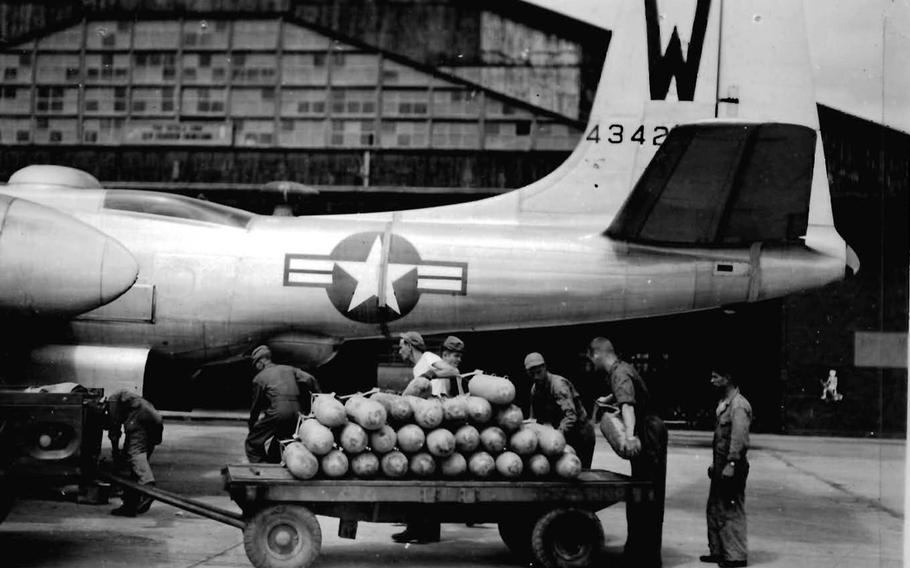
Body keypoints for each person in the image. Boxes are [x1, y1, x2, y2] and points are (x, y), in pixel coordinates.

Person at [588, 337, 667, 568]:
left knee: (647, 495)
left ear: (597, 354)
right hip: (649, 428)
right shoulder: (623, 368)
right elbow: (627, 392)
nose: (592, 364)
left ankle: (646, 558)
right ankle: (639, 552)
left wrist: (631, 435)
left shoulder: (618, 373)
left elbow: (628, 406)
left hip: (647, 431)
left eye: (591, 358)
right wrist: (609, 398)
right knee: (643, 494)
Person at [701, 366, 752, 568]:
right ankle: (719, 551)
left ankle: (736, 556)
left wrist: (731, 462)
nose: (711, 380)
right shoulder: (725, 403)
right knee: (715, 508)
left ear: (728, 378)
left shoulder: (739, 405)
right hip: (722, 466)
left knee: (731, 509)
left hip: (733, 466)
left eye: (716, 376)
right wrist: (717, 463)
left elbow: (739, 437)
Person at [245, 345, 321, 463]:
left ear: (261, 362)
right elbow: (310, 379)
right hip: (297, 412)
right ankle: (274, 462)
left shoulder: (259, 378)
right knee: (282, 438)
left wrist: (252, 425)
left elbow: (256, 407)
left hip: (278, 411)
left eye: (255, 364)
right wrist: (319, 398)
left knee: (252, 443)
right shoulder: (289, 369)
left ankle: (262, 468)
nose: (256, 368)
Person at [525, 352, 596, 468]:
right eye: (532, 374)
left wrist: (557, 435)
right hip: (564, 434)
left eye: (539, 372)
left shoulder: (558, 385)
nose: (536, 377)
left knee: (580, 472)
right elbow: (534, 419)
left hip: (581, 434)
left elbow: (571, 416)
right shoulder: (535, 390)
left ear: (544, 367)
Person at [106, 390, 164, 517]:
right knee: (135, 464)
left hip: (141, 418)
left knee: (134, 454)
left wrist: (115, 452)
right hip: (154, 421)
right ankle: (130, 505)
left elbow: (114, 429)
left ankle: (148, 487)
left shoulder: (113, 400)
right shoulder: (129, 399)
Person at [397, 331, 459, 397]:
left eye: (401, 347)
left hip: (438, 402)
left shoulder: (428, 357)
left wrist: (430, 374)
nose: (399, 352)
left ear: (409, 346)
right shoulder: (416, 368)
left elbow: (454, 371)